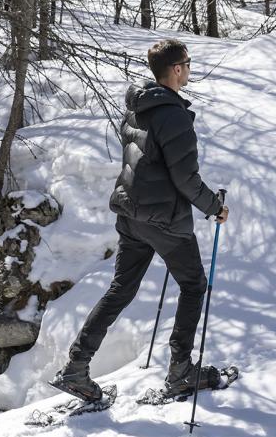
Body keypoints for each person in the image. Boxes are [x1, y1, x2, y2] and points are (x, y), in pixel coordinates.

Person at [51, 39, 229, 402]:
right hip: (164, 219)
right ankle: (181, 371)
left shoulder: (137, 108)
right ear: (177, 69)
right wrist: (214, 207)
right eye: (188, 63)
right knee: (194, 285)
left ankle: (76, 367)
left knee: (122, 287)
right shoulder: (174, 115)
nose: (190, 68)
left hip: (132, 213)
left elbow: (145, 163)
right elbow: (186, 179)